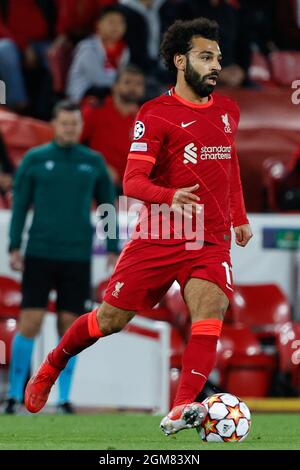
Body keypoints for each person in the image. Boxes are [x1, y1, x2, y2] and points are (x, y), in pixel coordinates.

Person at [24, 18, 252, 436]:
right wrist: (171, 198)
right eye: (206, 57)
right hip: (159, 236)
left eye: (218, 57)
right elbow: (132, 182)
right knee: (108, 321)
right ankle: (54, 361)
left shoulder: (228, 110)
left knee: (211, 309)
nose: (216, 65)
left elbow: (230, 162)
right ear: (180, 61)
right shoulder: (155, 114)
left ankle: (181, 409)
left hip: (210, 238)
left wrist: (238, 216)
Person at [5, 100, 118, 414]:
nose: (70, 128)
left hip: (77, 256)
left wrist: (112, 247)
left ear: (81, 128)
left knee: (70, 327)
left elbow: (108, 206)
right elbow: (20, 206)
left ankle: (64, 398)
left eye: (75, 124)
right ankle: (14, 395)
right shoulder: (35, 159)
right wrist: (14, 245)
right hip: (40, 252)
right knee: (30, 322)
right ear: (54, 124)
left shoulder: (93, 162)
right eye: (65, 123)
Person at [81, 64, 145, 190]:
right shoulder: (95, 111)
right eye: (127, 82)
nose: (133, 88)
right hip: (97, 184)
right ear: (114, 87)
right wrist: (99, 166)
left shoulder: (146, 119)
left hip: (132, 190)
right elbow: (73, 145)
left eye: (138, 84)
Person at [66, 5, 129, 102]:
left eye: (120, 23)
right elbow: (98, 79)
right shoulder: (88, 47)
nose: (116, 27)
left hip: (111, 91)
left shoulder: (124, 49)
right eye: (111, 22)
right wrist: (123, 87)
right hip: (83, 95)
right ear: (98, 24)